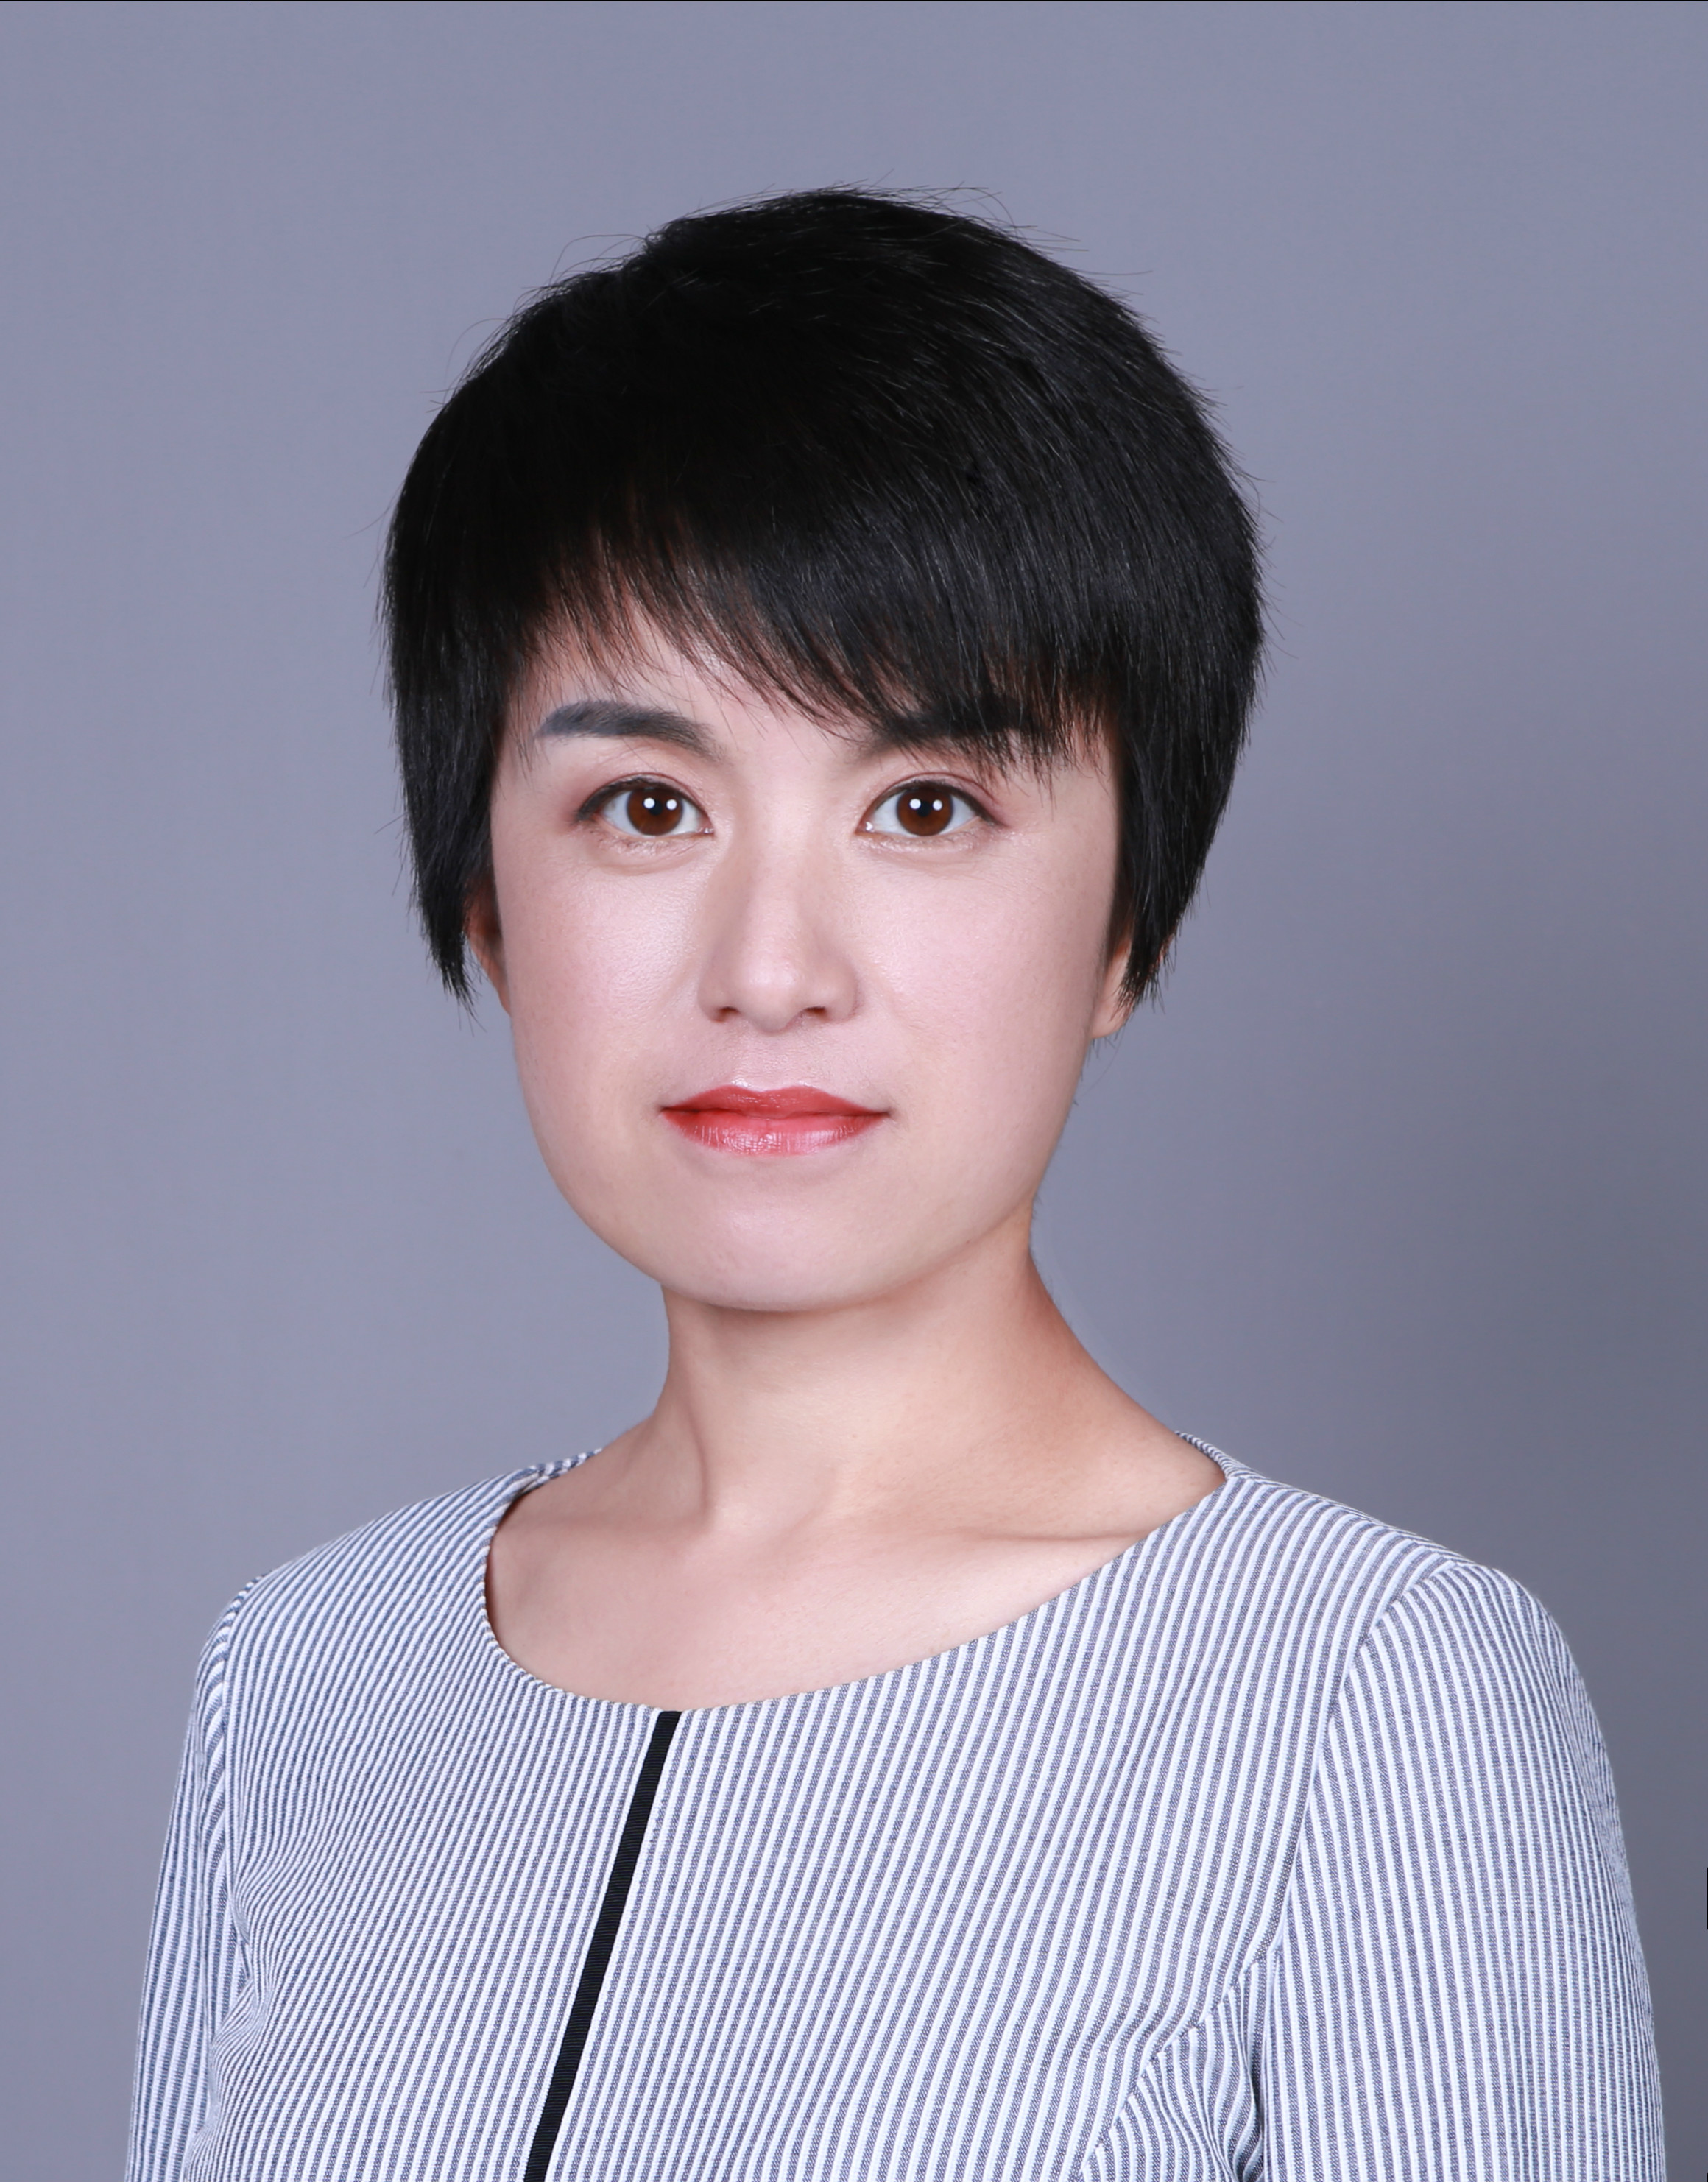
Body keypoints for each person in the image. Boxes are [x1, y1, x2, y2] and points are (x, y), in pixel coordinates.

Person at [127, 189, 1662, 2181]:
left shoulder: (1368, 1698)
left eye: (926, 807)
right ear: (489, 900)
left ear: (1128, 925)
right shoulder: (306, 1681)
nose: (773, 967)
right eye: (647, 805)